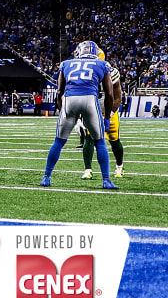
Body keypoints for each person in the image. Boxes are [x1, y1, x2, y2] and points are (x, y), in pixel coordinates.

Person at [40, 41, 117, 190]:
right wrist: (107, 117)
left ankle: (46, 177)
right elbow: (109, 93)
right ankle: (106, 180)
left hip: (70, 100)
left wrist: (63, 110)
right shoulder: (102, 64)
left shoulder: (66, 64)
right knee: (99, 141)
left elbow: (59, 91)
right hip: (89, 99)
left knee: (58, 142)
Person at [82, 50, 127, 180]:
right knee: (89, 138)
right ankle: (88, 170)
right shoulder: (86, 74)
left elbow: (118, 98)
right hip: (93, 110)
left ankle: (119, 166)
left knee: (114, 139)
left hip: (110, 111)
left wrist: (108, 115)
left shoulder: (112, 73)